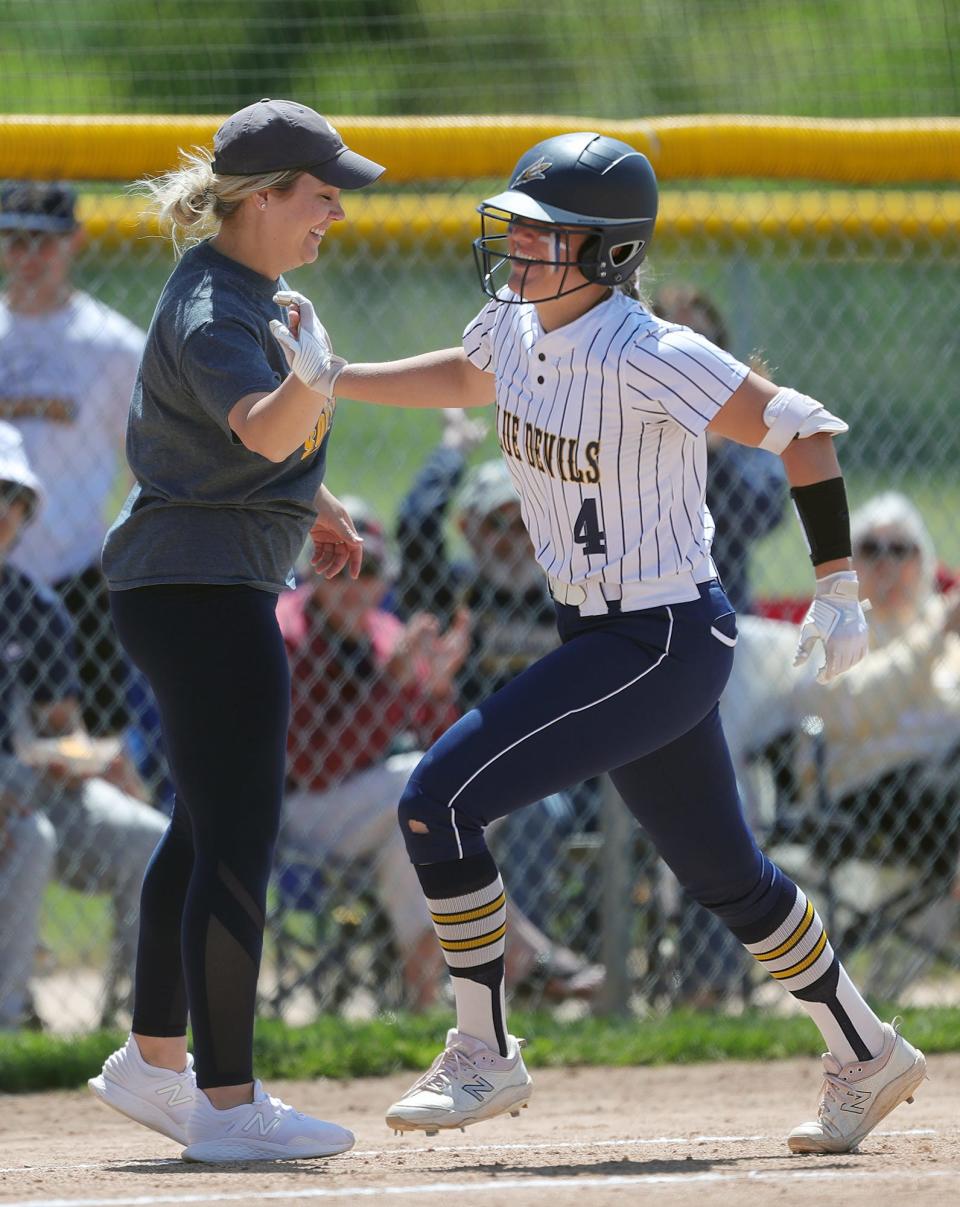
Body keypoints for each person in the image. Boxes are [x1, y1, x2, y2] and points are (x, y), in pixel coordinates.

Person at [273, 131, 927, 1154]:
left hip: (662, 633)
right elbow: (466, 371)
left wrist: (837, 583)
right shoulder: (515, 325)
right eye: (520, 226)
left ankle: (484, 1050)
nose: (521, 245)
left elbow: (803, 430)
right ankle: (868, 1048)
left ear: (611, 251)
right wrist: (338, 374)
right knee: (729, 875)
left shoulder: (651, 349)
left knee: (435, 799)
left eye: (547, 233)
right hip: (608, 631)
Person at [88, 99, 384, 1164]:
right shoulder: (218, 305)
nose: (336, 213)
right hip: (199, 590)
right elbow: (260, 428)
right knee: (242, 835)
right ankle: (227, 1099)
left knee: (206, 826)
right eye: (320, 193)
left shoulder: (245, 292)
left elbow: (258, 448)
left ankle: (156, 1064)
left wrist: (316, 498)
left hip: (195, 579)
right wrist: (308, 388)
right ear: (261, 199)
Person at [278, 500, 601, 1008]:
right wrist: (396, 689)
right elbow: (313, 769)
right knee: (422, 792)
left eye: (365, 569)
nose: (352, 585)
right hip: (297, 813)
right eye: (332, 565)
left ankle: (421, 996)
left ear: (386, 580)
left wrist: (436, 693)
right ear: (310, 571)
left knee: (420, 824)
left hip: (380, 814)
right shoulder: (288, 636)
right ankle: (521, 954)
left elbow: (436, 741)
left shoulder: (384, 635)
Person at [397, 417, 601, 941]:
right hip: (478, 760)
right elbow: (417, 523)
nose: (513, 542)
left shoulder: (567, 592)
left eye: (524, 525)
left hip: (571, 762)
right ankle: (524, 965)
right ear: (468, 529)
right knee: (529, 808)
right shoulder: (453, 593)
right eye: (497, 526)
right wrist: (451, 452)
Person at [0, 422, 166, 1030]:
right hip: (14, 797)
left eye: (12, 500)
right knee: (32, 839)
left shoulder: (32, 607)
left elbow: (58, 729)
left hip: (25, 783)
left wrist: (96, 759)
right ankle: (10, 1023)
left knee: (147, 834)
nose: (2, 513)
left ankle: (137, 1023)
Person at [0, 181, 146, 738]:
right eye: (15, 241)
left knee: (97, 740)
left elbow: (145, 463)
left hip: (79, 570)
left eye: (44, 242)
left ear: (75, 242)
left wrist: (124, 551)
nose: (29, 256)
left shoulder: (111, 344)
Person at [651, 284, 787, 615]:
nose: (689, 352)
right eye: (674, 338)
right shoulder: (627, 416)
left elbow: (763, 515)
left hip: (724, 608)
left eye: (701, 339)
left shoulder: (743, 420)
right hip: (639, 604)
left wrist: (711, 450)